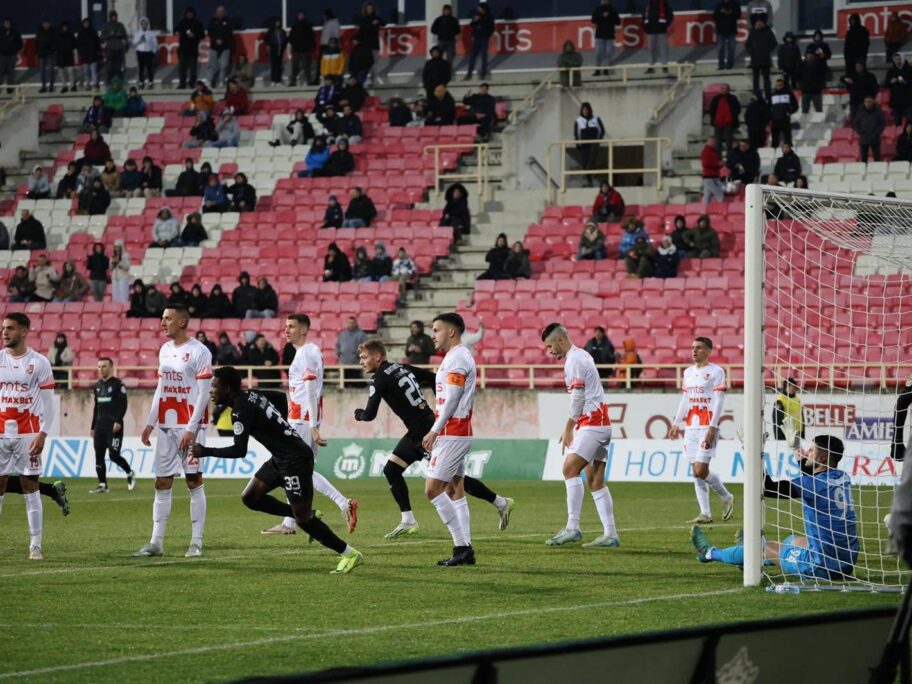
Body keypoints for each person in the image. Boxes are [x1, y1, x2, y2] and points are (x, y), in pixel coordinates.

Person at [192, 366, 363, 572]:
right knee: (251, 497)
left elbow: (239, 450)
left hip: (295, 460)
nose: (210, 390)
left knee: (303, 521)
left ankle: (349, 553)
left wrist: (205, 450)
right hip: (281, 457)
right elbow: (281, 397)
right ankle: (310, 514)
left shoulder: (240, 410)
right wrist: (279, 427)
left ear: (227, 389)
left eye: (214, 386)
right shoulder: (251, 394)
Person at [356, 339, 513, 539]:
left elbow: (369, 415)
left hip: (425, 432)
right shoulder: (401, 367)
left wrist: (358, 413)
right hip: (421, 427)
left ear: (378, 356)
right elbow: (432, 378)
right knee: (392, 469)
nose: (361, 362)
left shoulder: (379, 378)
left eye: (364, 357)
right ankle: (408, 520)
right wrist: (427, 407)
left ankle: (500, 503)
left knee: (452, 482)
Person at [692, 435, 857, 583]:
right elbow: (814, 474)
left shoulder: (813, 485)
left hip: (820, 567)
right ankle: (747, 558)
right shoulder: (843, 477)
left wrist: (754, 453)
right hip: (847, 562)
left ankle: (709, 553)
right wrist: (795, 447)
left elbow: (768, 487)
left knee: (760, 548)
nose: (807, 452)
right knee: (792, 541)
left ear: (822, 457)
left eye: (811, 450)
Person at [260, 315, 360, 536]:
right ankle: (293, 521)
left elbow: (310, 389)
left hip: (303, 419)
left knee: (294, 468)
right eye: (285, 326)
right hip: (304, 417)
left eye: (292, 327)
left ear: (304, 329)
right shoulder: (307, 352)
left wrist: (313, 425)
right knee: (301, 470)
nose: (286, 330)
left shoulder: (306, 353)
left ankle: (340, 504)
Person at [133, 306, 212, 558]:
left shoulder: (199, 352)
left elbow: (203, 394)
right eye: (162, 318)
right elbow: (161, 387)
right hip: (167, 425)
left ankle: (196, 542)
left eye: (167, 318)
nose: (162, 322)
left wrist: (191, 428)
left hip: (191, 426)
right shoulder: (165, 350)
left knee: (193, 480)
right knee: (162, 481)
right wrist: (150, 421)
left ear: (182, 321)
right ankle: (156, 543)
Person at [541, 323, 620, 548]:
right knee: (595, 480)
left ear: (561, 340)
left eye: (550, 346)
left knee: (569, 469)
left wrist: (569, 427)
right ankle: (611, 534)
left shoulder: (575, 359)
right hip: (600, 423)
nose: (550, 351)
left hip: (592, 423)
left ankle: (573, 527)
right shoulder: (581, 356)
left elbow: (577, 396)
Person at [417, 313, 478, 565]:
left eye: (437, 329)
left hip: (452, 432)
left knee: (432, 490)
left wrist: (434, 429)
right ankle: (465, 549)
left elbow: (452, 399)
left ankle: (461, 546)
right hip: (454, 430)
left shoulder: (459, 358)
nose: (432, 334)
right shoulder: (452, 358)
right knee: (454, 489)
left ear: (451, 332)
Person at [0, 313, 56, 560]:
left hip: (28, 433)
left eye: (10, 328)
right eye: (3, 328)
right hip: (1, 432)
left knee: (29, 486)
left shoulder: (39, 362)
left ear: (24, 331)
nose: (5, 333)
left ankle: (35, 544)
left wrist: (43, 433)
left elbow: (49, 403)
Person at [669, 337, 735, 525]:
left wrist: (713, 426)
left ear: (708, 351)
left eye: (698, 348)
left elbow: (719, 400)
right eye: (692, 347)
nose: (694, 351)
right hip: (691, 425)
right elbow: (685, 399)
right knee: (694, 471)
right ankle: (705, 513)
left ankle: (726, 496)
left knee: (700, 469)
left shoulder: (716, 372)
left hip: (707, 424)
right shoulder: (688, 372)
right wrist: (676, 423)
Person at [89, 357, 135, 494]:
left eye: (104, 366)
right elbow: (96, 407)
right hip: (99, 426)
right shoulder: (97, 386)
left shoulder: (118, 384)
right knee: (99, 455)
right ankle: (102, 484)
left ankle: (130, 473)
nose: (101, 369)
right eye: (99, 366)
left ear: (111, 367)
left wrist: (118, 420)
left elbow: (123, 405)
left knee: (114, 455)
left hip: (114, 426)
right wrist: (92, 427)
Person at [574, 102, 605, 186]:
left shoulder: (596, 118)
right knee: (584, 165)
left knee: (590, 163)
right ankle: (589, 180)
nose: (585, 111)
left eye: (587, 110)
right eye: (583, 110)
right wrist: (577, 144)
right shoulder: (578, 121)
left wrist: (598, 141)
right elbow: (576, 134)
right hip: (584, 146)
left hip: (593, 145)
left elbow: (602, 130)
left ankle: (590, 180)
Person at [745, 19, 777, 100]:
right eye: (757, 22)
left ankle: (768, 96)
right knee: (756, 79)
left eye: (760, 22)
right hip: (755, 59)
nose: (759, 24)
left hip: (765, 59)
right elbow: (747, 44)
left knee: (766, 79)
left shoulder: (768, 32)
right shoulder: (752, 32)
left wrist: (766, 50)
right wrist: (752, 52)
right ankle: (757, 95)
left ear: (763, 23)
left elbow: (774, 43)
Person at [175, 7, 203, 89]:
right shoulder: (182, 22)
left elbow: (202, 35)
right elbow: (176, 30)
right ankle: (182, 84)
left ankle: (191, 83)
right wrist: (177, 32)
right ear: (186, 14)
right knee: (182, 69)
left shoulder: (198, 23)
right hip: (183, 50)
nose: (189, 14)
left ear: (193, 14)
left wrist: (194, 35)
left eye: (191, 13)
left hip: (193, 50)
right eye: (188, 13)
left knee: (193, 69)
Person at [642, 0, 673, 75]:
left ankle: (664, 66)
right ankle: (651, 66)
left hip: (661, 30)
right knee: (651, 49)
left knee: (663, 48)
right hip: (651, 31)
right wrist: (646, 27)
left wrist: (665, 25)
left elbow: (670, 16)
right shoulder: (648, 5)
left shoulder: (664, 3)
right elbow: (643, 17)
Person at [590, 0, 621, 76]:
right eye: (603, 0)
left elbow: (618, 22)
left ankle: (606, 69)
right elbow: (593, 20)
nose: (604, 1)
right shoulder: (597, 9)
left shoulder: (613, 10)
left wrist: (610, 16)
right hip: (600, 35)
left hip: (610, 35)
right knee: (599, 53)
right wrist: (602, 16)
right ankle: (597, 69)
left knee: (608, 53)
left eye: (606, 0)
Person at [707, 83, 740, 154]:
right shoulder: (716, 98)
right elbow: (712, 110)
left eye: (725, 88)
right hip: (718, 123)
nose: (723, 90)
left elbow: (737, 109)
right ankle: (718, 159)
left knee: (729, 142)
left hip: (729, 123)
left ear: (728, 89)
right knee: (717, 143)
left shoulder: (733, 98)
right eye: (722, 88)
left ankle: (730, 159)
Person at [465, 4, 494, 81]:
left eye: (480, 8)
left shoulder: (489, 16)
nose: (479, 10)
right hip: (476, 38)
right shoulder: (477, 15)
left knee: (484, 56)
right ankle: (469, 74)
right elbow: (471, 24)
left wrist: (486, 35)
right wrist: (475, 20)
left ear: (484, 9)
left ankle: (483, 74)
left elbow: (492, 28)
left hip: (484, 39)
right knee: (472, 56)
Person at [853, 95, 886, 162]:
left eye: (869, 102)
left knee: (877, 158)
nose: (868, 103)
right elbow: (855, 124)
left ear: (873, 102)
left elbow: (883, 123)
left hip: (875, 138)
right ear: (864, 102)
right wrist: (861, 132)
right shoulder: (860, 112)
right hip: (864, 138)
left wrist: (877, 132)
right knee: (864, 159)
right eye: (866, 102)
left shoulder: (878, 111)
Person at [207, 5, 233, 88]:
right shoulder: (212, 21)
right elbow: (210, 32)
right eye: (219, 11)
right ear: (216, 12)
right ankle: (209, 81)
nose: (220, 13)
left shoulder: (228, 21)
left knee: (224, 65)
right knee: (211, 65)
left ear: (224, 12)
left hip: (225, 46)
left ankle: (221, 81)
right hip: (214, 46)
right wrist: (216, 40)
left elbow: (229, 32)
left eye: (222, 11)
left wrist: (222, 39)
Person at [289, 11, 317, 87]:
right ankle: (293, 81)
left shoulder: (308, 25)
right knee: (295, 66)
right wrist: (294, 43)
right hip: (296, 49)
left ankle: (309, 81)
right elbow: (291, 37)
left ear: (304, 16)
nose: (300, 16)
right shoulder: (295, 25)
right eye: (299, 15)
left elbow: (312, 37)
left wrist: (311, 47)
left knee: (307, 66)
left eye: (302, 15)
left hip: (306, 50)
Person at [336, 316, 367, 382]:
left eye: (353, 323)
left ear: (356, 323)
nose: (351, 324)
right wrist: (339, 354)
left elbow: (364, 347)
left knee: (355, 382)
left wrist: (358, 355)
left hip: (355, 361)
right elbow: (337, 345)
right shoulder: (342, 334)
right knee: (345, 382)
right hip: (344, 361)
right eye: (349, 323)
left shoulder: (361, 334)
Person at [100, 10, 127, 84]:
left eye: (115, 16)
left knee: (119, 67)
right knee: (109, 68)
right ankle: (109, 82)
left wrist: (119, 35)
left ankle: (119, 82)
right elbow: (102, 37)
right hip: (110, 49)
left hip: (119, 49)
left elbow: (125, 37)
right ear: (110, 17)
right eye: (112, 16)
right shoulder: (106, 25)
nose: (114, 18)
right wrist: (110, 34)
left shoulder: (120, 25)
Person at [773, 377, 804, 443]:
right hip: (786, 433)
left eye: (793, 386)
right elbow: (776, 419)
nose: (791, 388)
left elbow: (801, 417)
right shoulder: (780, 400)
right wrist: (779, 438)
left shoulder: (797, 399)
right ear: (785, 387)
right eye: (789, 386)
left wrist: (803, 432)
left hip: (798, 432)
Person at [769, 78, 798, 147]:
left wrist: (789, 112)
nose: (778, 87)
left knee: (787, 137)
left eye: (780, 85)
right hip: (775, 119)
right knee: (775, 137)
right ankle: (774, 150)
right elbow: (768, 107)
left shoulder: (789, 93)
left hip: (785, 119)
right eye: (777, 85)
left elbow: (795, 105)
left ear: (783, 85)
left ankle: (789, 150)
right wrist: (771, 115)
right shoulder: (772, 95)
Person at [713, 0, 740, 71]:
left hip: (732, 29)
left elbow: (738, 15)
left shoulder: (735, 4)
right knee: (720, 48)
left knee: (732, 47)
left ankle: (729, 65)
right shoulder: (719, 5)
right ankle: (721, 65)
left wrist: (731, 12)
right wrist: (721, 12)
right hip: (721, 30)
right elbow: (714, 16)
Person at [887, 53, 912, 129]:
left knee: (910, 119)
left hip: (908, 100)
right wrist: (891, 82)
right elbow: (886, 83)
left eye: (899, 59)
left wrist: (905, 82)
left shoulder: (909, 69)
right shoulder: (891, 71)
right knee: (897, 121)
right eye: (896, 59)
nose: (898, 61)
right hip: (896, 100)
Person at [132, 16, 157, 89]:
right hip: (140, 52)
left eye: (145, 23)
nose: (144, 25)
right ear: (140, 24)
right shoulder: (138, 33)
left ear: (147, 24)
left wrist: (153, 51)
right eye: (142, 23)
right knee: (141, 68)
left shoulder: (151, 33)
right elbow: (134, 43)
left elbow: (155, 43)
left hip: (149, 52)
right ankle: (141, 82)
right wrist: (140, 40)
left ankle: (150, 82)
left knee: (149, 67)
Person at [798, 50, 827, 114]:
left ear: (814, 55)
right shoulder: (801, 64)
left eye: (811, 54)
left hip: (816, 91)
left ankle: (819, 122)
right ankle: (804, 123)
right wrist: (801, 85)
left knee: (818, 110)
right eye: (808, 54)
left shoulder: (819, 63)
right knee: (804, 110)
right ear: (806, 55)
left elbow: (824, 72)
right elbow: (797, 75)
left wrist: (821, 86)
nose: (810, 55)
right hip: (805, 91)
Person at [76, 18, 101, 91]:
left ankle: (94, 85)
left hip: (93, 55)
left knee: (93, 71)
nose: (86, 24)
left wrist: (97, 52)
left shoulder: (93, 32)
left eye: (87, 23)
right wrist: (80, 53)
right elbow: (78, 44)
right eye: (85, 23)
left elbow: (97, 43)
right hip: (84, 55)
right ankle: (87, 85)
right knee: (86, 72)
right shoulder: (80, 33)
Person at [0, 18, 23, 93]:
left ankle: (10, 88)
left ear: (11, 24)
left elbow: (20, 44)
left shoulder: (15, 33)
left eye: (8, 23)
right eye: (5, 23)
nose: (6, 24)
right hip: (2, 55)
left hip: (12, 55)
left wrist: (14, 49)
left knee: (11, 72)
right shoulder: (0, 32)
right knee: (1, 71)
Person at [262, 18, 287, 87]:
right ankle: (273, 80)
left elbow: (285, 40)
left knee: (279, 66)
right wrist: (268, 45)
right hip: (273, 49)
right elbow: (266, 39)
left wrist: (284, 47)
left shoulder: (282, 31)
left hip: (280, 50)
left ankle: (278, 80)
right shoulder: (270, 31)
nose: (277, 24)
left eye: (278, 22)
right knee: (273, 65)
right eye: (276, 22)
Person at [843, 13, 869, 78]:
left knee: (860, 75)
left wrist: (861, 56)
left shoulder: (863, 31)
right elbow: (846, 46)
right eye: (851, 21)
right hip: (850, 59)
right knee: (851, 75)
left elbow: (866, 44)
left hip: (860, 57)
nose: (852, 22)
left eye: (853, 21)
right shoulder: (849, 32)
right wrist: (846, 57)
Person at [700, 136, 723, 205]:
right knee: (720, 194)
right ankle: (721, 210)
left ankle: (704, 211)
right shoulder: (707, 151)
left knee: (707, 196)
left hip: (709, 176)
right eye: (711, 142)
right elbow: (705, 164)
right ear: (707, 142)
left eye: (714, 142)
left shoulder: (712, 151)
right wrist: (718, 164)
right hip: (711, 176)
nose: (713, 143)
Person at [35, 18, 56, 93]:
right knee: (42, 71)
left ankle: (51, 86)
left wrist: (51, 50)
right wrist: (37, 52)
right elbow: (37, 42)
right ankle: (43, 86)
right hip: (41, 54)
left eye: (47, 23)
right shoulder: (39, 32)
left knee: (51, 71)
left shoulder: (53, 32)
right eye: (45, 23)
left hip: (50, 54)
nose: (46, 25)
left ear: (50, 24)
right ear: (43, 24)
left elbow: (54, 43)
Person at [55, 20, 76, 94]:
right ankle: (64, 86)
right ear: (61, 28)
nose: (64, 28)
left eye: (66, 27)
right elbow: (55, 46)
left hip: (69, 56)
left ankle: (73, 86)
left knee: (71, 71)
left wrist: (72, 53)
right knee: (62, 73)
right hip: (60, 56)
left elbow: (74, 45)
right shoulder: (57, 35)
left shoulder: (71, 34)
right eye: (63, 27)